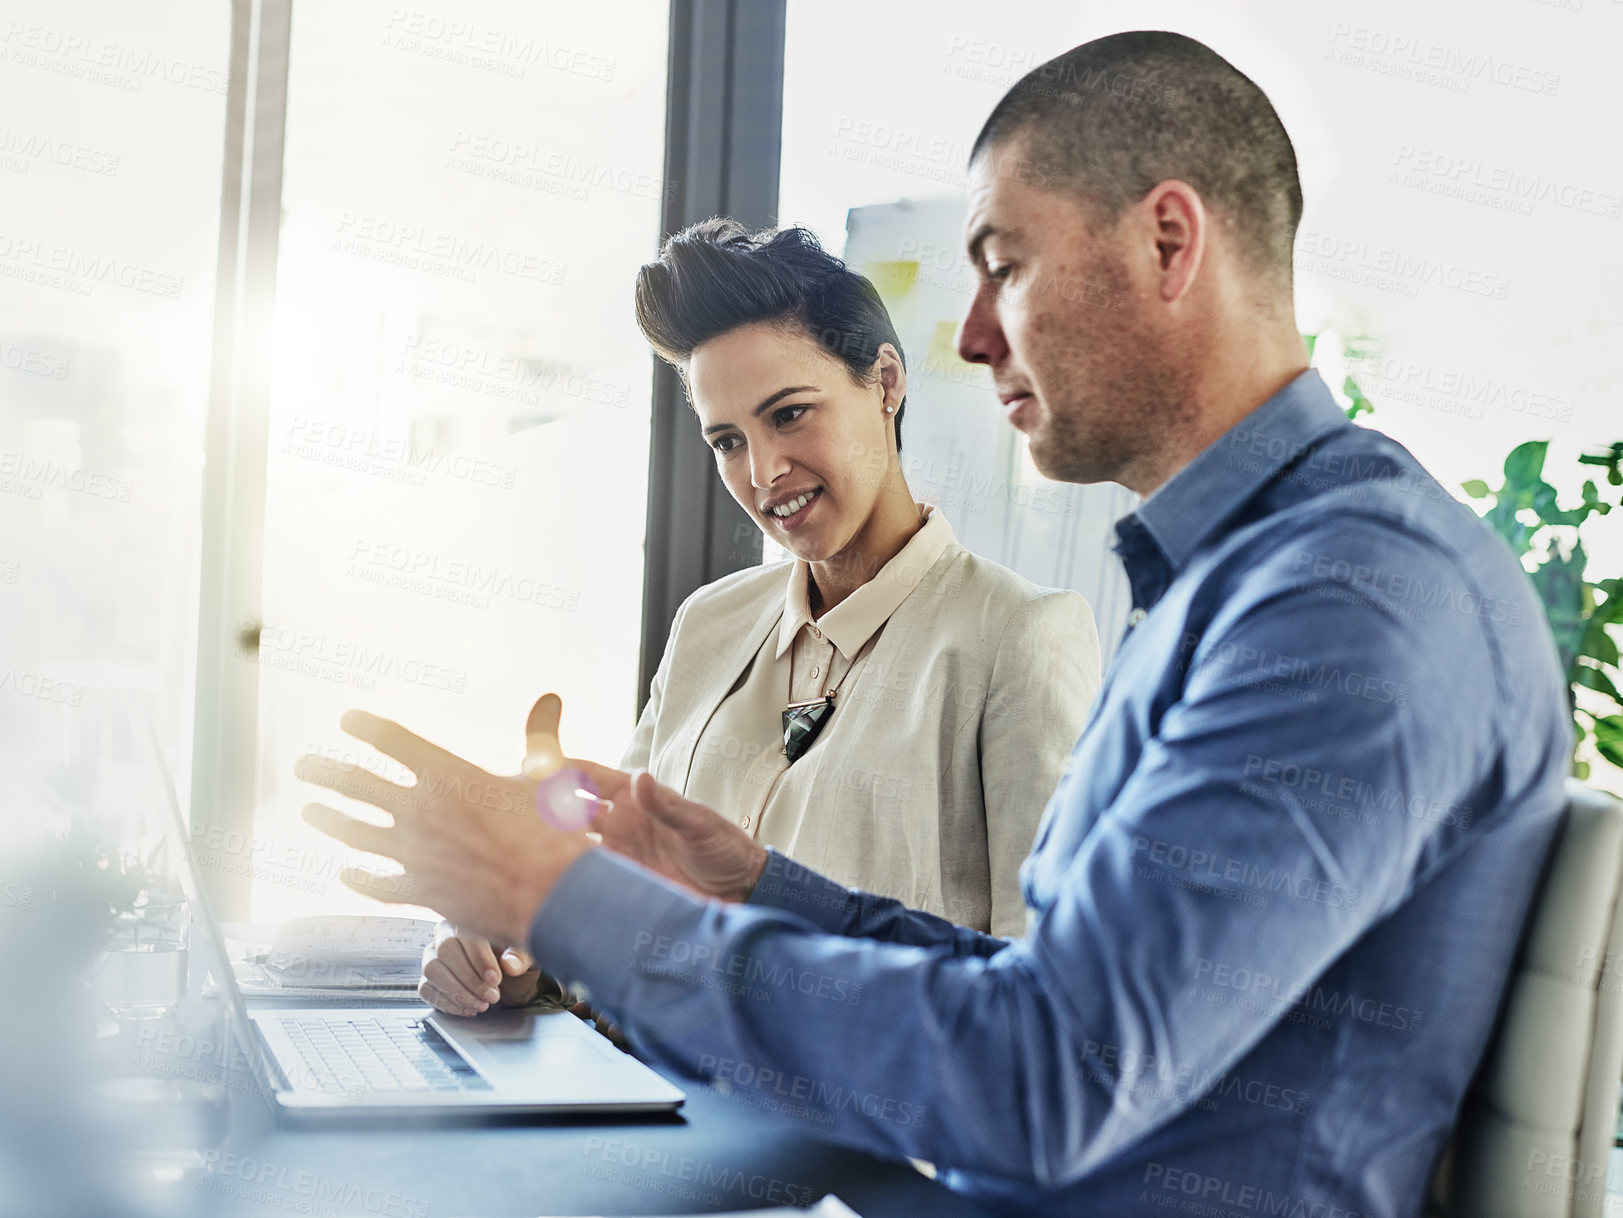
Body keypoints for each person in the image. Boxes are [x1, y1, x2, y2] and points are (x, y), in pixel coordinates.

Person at [299, 31, 1571, 1217]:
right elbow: (1055, 1002)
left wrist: (565, 900)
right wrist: (751, 887)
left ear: (1168, 243)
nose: (971, 334)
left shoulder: (1342, 600)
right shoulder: (1255, 578)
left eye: (1003, 267)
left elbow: (1046, 1078)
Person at [417, 220, 1102, 1018]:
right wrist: (515, 949)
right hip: (646, 1101)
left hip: (851, 1131)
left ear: (884, 383)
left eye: (788, 415)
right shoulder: (709, 623)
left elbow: (1049, 996)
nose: (763, 473)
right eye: (727, 440)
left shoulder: (1018, 638)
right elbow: (620, 912)